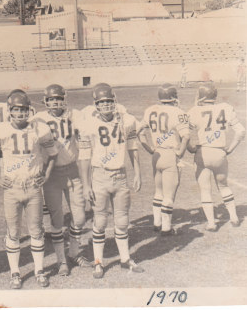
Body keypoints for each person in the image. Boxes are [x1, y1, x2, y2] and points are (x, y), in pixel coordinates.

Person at [0, 91, 58, 289]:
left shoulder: (39, 129)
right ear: (9, 111)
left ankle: (39, 270)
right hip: (12, 189)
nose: (20, 113)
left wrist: (47, 175)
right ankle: (15, 272)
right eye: (16, 110)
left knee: (36, 230)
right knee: (13, 232)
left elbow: (53, 154)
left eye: (24, 110)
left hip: (33, 186)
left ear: (29, 110)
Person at [77, 83, 143, 279]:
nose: (106, 105)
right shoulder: (88, 124)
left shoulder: (126, 120)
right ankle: (98, 261)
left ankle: (125, 259)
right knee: (100, 221)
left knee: (122, 220)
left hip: (120, 175)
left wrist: (137, 173)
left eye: (108, 101)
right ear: (96, 104)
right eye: (102, 102)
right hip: (100, 176)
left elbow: (133, 148)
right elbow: (84, 157)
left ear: (114, 101)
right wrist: (86, 184)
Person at [31, 84, 93, 276]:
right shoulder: (37, 119)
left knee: (80, 217)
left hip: (72, 171)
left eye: (58, 98)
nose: (55, 102)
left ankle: (74, 253)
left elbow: (85, 137)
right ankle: (61, 261)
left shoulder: (75, 115)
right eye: (51, 99)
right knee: (57, 220)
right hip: (51, 174)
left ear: (64, 99)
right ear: (46, 101)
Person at [187, 82, 245, 230]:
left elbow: (184, 134)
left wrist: (190, 148)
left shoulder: (194, 111)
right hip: (220, 153)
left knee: (205, 189)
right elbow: (240, 131)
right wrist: (230, 149)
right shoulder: (225, 108)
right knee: (224, 186)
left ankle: (212, 223)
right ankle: (234, 217)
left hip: (203, 152)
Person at [140, 83, 190, 236]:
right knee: (169, 194)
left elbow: (140, 132)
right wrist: (180, 152)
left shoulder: (150, 111)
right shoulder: (178, 112)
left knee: (158, 191)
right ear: (174, 97)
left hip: (157, 155)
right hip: (169, 154)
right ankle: (166, 228)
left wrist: (149, 149)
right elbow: (186, 136)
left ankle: (157, 222)